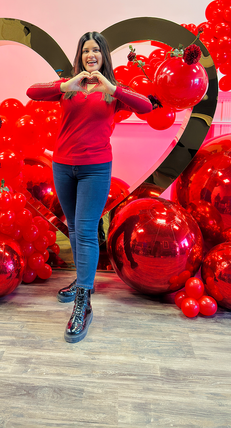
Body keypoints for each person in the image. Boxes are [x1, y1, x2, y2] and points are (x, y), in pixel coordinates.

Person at [27, 31, 152, 343]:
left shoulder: (114, 93)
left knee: (84, 230)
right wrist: (66, 84)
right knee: (73, 228)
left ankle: (84, 300)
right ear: (80, 56)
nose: (91, 55)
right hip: (62, 166)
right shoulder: (70, 87)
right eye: (86, 50)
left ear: (104, 55)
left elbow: (147, 106)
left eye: (96, 50)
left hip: (95, 169)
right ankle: (82, 281)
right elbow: (31, 91)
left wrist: (112, 87)